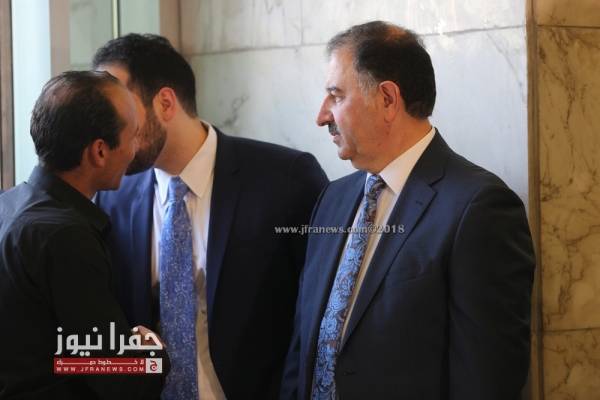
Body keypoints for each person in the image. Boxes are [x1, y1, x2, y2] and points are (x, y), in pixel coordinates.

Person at [280, 21, 535, 400]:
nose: (322, 116)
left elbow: (487, 379)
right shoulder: (332, 199)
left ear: (387, 99)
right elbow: (304, 349)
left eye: (336, 96)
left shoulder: (479, 208)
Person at [92, 34, 329, 400]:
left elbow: (319, 313)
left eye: (119, 110)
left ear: (166, 103)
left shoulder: (286, 179)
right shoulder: (112, 196)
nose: (108, 129)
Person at [0, 71, 167, 399]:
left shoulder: (7, 205)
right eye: (133, 135)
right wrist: (152, 350)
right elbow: (121, 380)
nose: (136, 148)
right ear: (100, 152)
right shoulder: (65, 238)